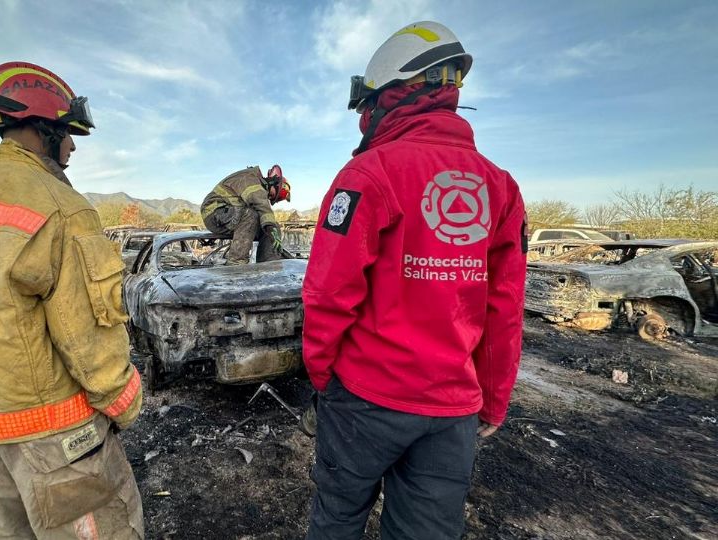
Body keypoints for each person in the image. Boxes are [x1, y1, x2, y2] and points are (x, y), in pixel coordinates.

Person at [302, 22, 527, 539]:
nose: (363, 119)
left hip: (365, 398)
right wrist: (493, 397)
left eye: (367, 106)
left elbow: (328, 294)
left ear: (391, 93)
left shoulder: (368, 174)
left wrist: (321, 376)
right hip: (452, 411)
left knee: (337, 518)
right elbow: (503, 306)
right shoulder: (501, 186)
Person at [0, 61, 144, 539]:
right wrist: (124, 401)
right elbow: (88, 331)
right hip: (49, 431)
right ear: (45, 129)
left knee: (8, 527)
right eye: (69, 132)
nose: (74, 146)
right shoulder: (60, 206)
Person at [200, 164, 291, 264]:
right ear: (273, 183)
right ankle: (236, 263)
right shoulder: (251, 179)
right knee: (251, 215)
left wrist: (272, 230)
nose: (269, 197)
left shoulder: (256, 184)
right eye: (273, 195)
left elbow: (263, 214)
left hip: (231, 216)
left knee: (272, 227)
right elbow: (261, 204)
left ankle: (268, 265)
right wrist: (270, 226)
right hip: (214, 213)